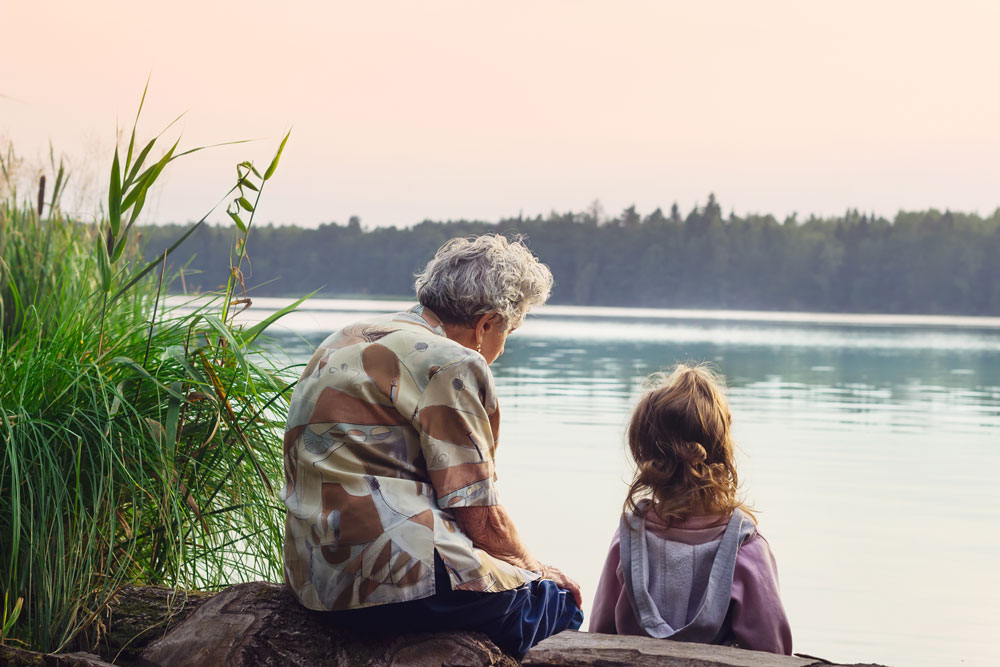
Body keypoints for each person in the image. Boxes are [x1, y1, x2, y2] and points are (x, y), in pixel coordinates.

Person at [281, 234, 583, 659]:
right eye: (508, 332)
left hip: (313, 580)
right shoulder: (452, 360)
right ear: (486, 324)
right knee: (556, 604)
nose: (502, 345)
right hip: (396, 583)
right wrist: (536, 570)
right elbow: (479, 515)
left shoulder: (347, 337)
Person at [589, 364, 792, 654]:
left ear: (646, 457)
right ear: (721, 453)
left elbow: (599, 636)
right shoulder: (746, 548)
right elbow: (772, 652)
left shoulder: (629, 540)